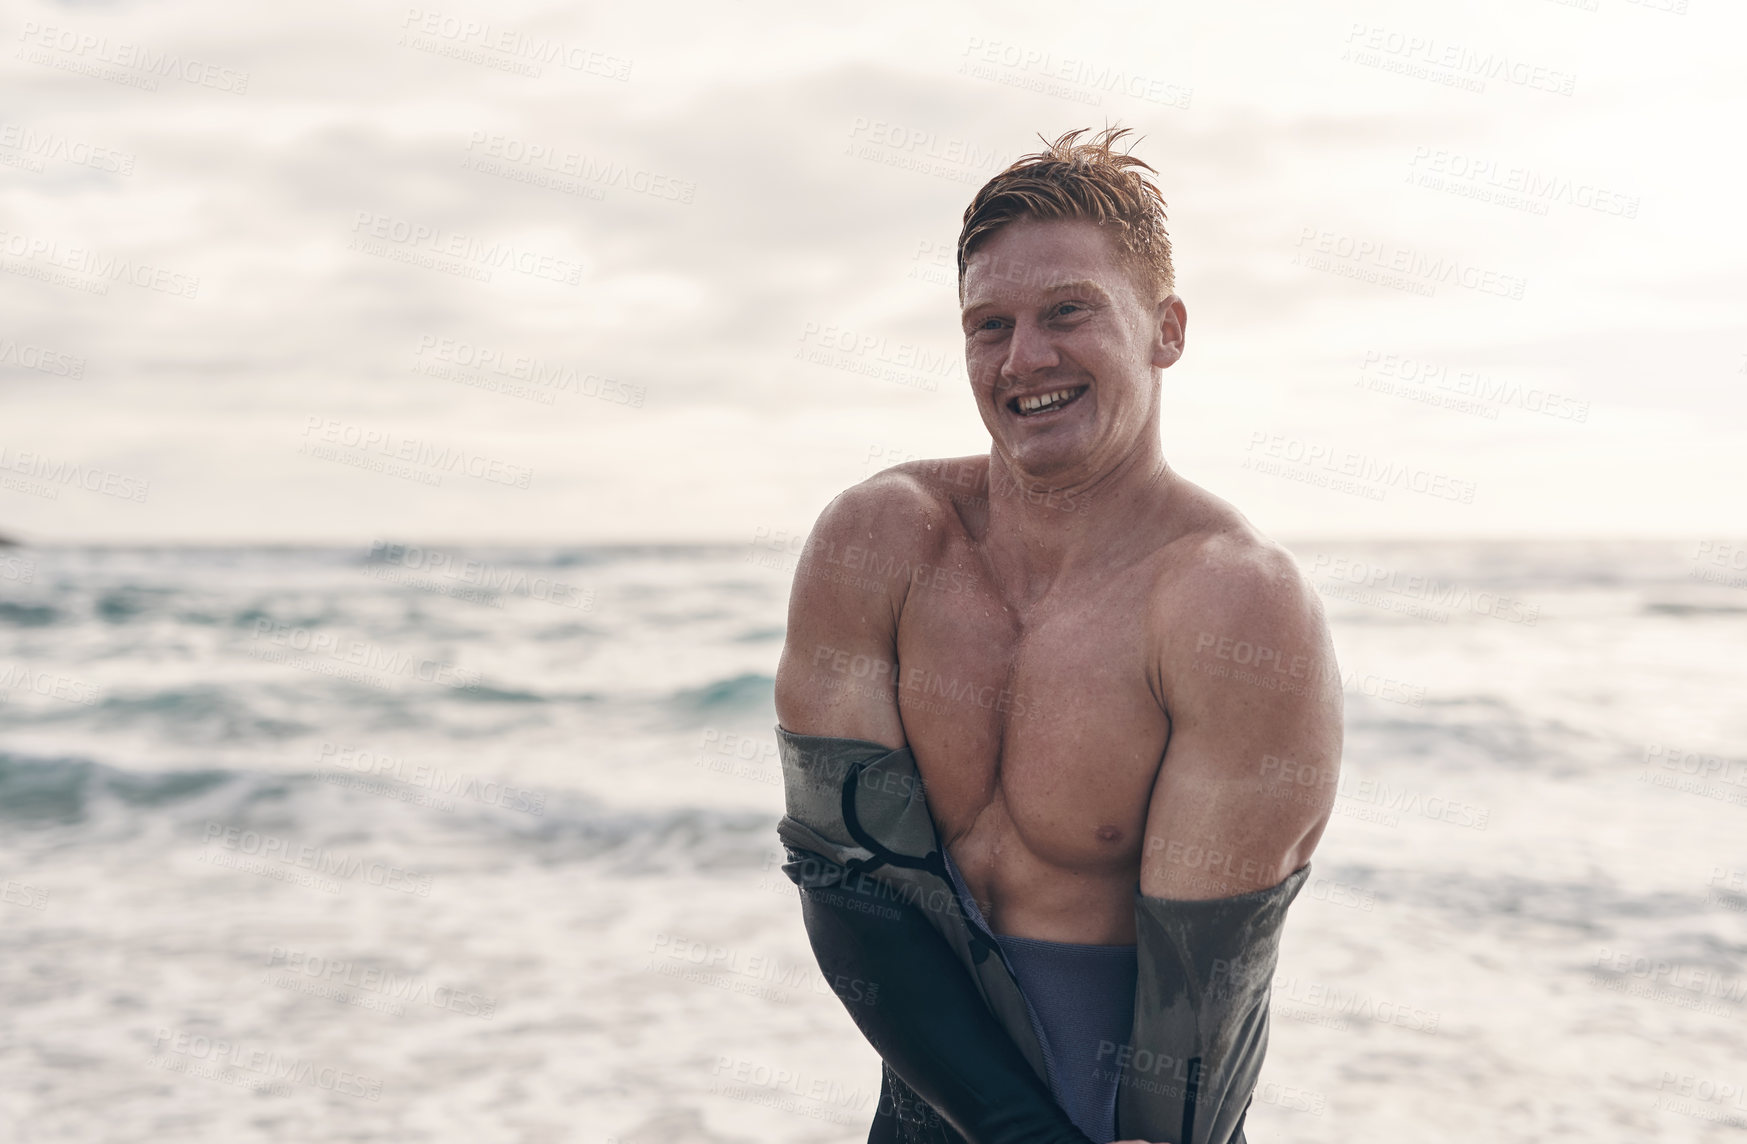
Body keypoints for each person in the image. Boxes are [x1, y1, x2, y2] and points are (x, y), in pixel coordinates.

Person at [772, 126, 1344, 1144]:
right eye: (987, 325)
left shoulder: (1230, 604)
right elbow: (843, 880)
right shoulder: (881, 542)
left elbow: (1202, 992)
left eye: (1066, 311)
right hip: (928, 1116)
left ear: (1165, 329)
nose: (1023, 357)